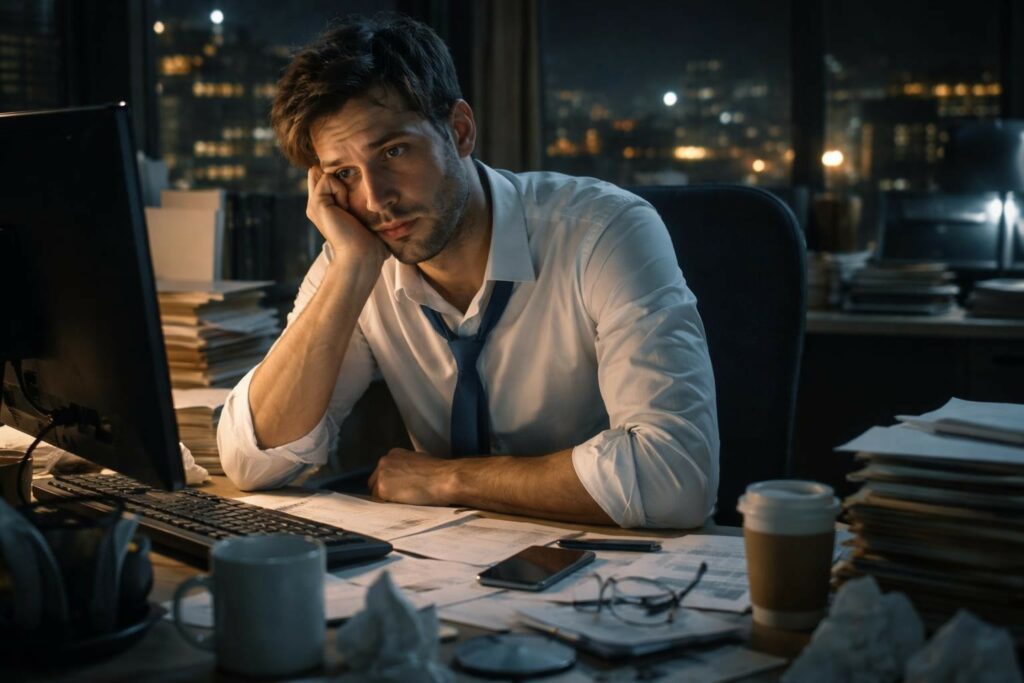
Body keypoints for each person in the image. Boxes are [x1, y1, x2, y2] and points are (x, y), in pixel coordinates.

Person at [217, 13, 719, 528]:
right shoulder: (358, 257)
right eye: (344, 173)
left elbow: (677, 475)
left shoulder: (603, 232)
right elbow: (253, 461)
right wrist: (349, 271)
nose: (375, 198)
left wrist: (449, 479)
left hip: (608, 557)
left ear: (459, 131)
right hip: (446, 564)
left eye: (393, 151)